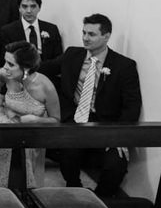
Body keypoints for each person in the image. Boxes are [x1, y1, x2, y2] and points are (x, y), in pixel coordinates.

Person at [56, 13, 142, 197]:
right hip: (76, 119)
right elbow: (44, 68)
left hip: (107, 125)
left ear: (106, 36)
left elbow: (132, 105)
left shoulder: (123, 66)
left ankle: (101, 199)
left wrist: (120, 137)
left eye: (92, 34)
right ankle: (75, 190)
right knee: (67, 151)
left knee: (117, 163)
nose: (85, 38)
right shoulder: (72, 54)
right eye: (84, 32)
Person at [0, 41, 60, 188]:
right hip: (5, 122)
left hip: (30, 132)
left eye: (11, 64)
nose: (5, 67)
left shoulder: (45, 86)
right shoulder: (9, 74)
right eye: (5, 62)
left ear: (26, 68)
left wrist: (35, 119)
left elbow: (55, 120)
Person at [0, 0, 63, 76]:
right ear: (19, 8)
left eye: (33, 6)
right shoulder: (8, 31)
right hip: (19, 78)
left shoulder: (51, 29)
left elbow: (58, 60)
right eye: (24, 6)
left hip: (47, 76)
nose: (29, 11)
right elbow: (6, 61)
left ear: (39, 7)